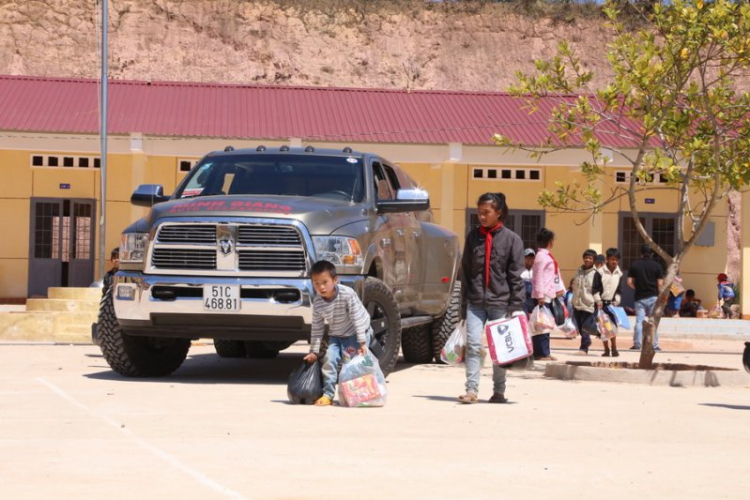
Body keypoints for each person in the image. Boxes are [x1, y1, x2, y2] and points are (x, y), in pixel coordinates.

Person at [458, 192, 525, 404]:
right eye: (479, 212)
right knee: (474, 345)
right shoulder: (473, 237)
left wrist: (516, 306)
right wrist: (462, 303)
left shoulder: (512, 240)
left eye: (486, 212)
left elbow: (516, 275)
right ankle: (471, 390)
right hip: (476, 302)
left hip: (500, 302)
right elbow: (466, 271)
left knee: (500, 350)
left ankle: (499, 391)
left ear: (498, 212)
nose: (482, 217)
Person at [303, 260, 371, 406]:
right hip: (337, 334)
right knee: (329, 359)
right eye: (316, 283)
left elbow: (357, 318)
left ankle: (357, 393)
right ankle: (328, 394)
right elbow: (317, 327)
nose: (320, 287)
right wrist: (314, 351)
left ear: (335, 280)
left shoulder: (347, 294)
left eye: (325, 282)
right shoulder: (318, 302)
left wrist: (362, 342)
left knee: (351, 364)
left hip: (357, 333)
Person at [627, 244, 664, 351]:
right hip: (653, 296)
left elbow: (629, 282)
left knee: (639, 321)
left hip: (639, 297)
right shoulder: (657, 266)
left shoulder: (635, 265)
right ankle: (655, 345)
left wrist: (636, 288)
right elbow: (660, 284)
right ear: (651, 254)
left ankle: (637, 344)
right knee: (653, 322)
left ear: (641, 253)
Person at [531, 228, 560, 361]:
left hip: (548, 294)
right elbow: (538, 276)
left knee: (544, 325)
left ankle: (544, 352)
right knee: (542, 326)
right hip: (542, 296)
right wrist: (540, 295)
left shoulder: (545, 256)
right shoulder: (542, 257)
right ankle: (541, 353)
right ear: (550, 242)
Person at [593, 247, 623, 357]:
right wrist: (598, 300)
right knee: (603, 328)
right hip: (601, 305)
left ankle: (614, 348)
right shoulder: (600, 272)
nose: (614, 262)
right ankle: (606, 350)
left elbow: (619, 290)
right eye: (612, 259)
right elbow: (595, 289)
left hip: (612, 305)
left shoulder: (619, 274)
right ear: (607, 259)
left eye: (616, 259)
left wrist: (617, 301)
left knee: (613, 328)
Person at [571, 249, 599, 355]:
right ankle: (586, 341)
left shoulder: (596, 274)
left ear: (594, 260)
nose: (587, 260)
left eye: (590, 258)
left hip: (589, 304)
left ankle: (584, 348)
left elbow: (598, 289)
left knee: (584, 326)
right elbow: (574, 284)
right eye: (586, 257)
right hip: (577, 303)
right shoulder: (578, 271)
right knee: (579, 325)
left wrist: (598, 301)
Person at [521, 248, 536, 315]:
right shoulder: (519, 270)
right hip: (524, 300)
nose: (530, 260)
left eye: (532, 258)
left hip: (534, 299)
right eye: (527, 258)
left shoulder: (536, 271)